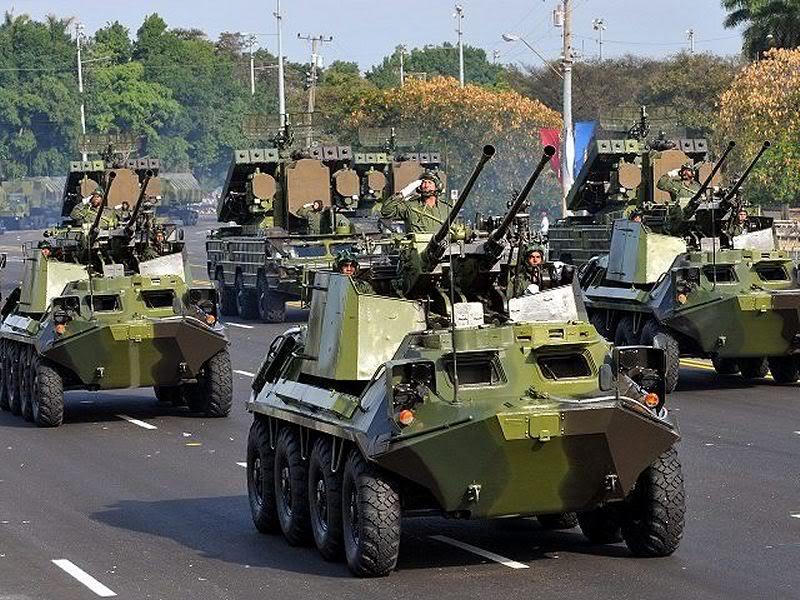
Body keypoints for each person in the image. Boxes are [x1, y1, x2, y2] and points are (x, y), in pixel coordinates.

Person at [380, 170, 451, 234]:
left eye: (430, 183)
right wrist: (404, 193)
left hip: (442, 246)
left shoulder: (446, 208)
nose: (426, 185)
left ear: (437, 186)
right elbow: (386, 211)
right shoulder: (410, 206)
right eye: (423, 182)